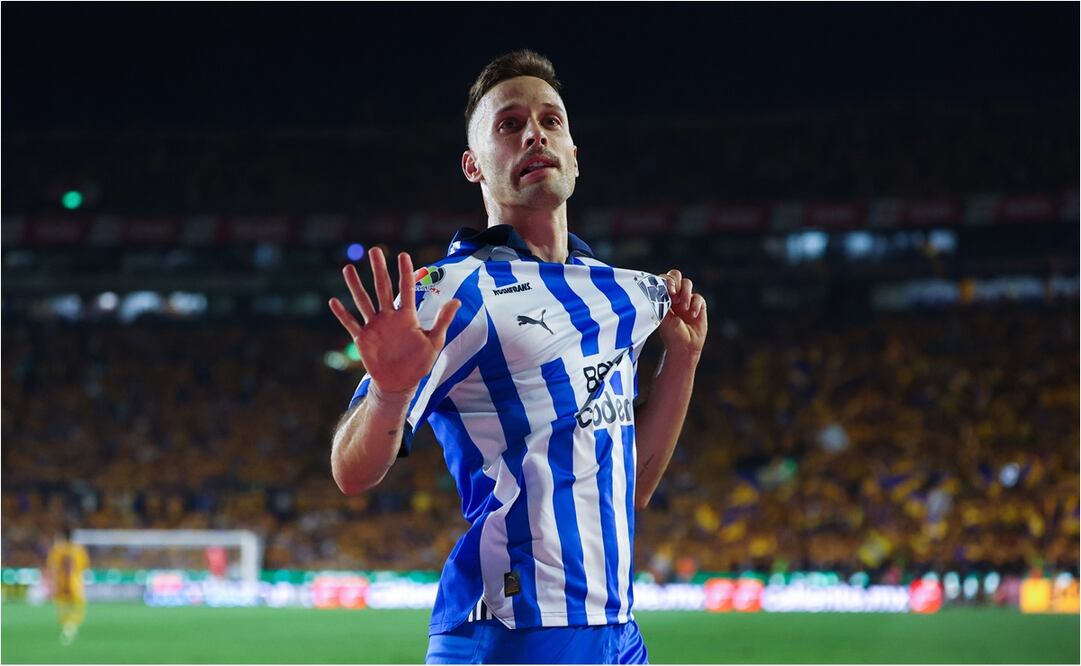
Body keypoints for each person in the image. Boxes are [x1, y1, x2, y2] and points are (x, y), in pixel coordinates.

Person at [328, 50, 707, 664]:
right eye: (509, 124)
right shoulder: (449, 293)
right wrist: (390, 392)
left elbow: (631, 488)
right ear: (473, 166)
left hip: (619, 633)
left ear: (575, 156)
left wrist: (681, 365)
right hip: (510, 629)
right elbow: (352, 472)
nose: (535, 132)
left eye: (551, 120)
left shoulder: (618, 293)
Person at [44, 528, 90, 645]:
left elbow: (52, 567)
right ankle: (72, 626)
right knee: (79, 606)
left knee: (62, 607)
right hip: (75, 583)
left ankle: (66, 625)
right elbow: (84, 567)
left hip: (61, 582)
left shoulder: (57, 550)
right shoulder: (79, 550)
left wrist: (53, 583)